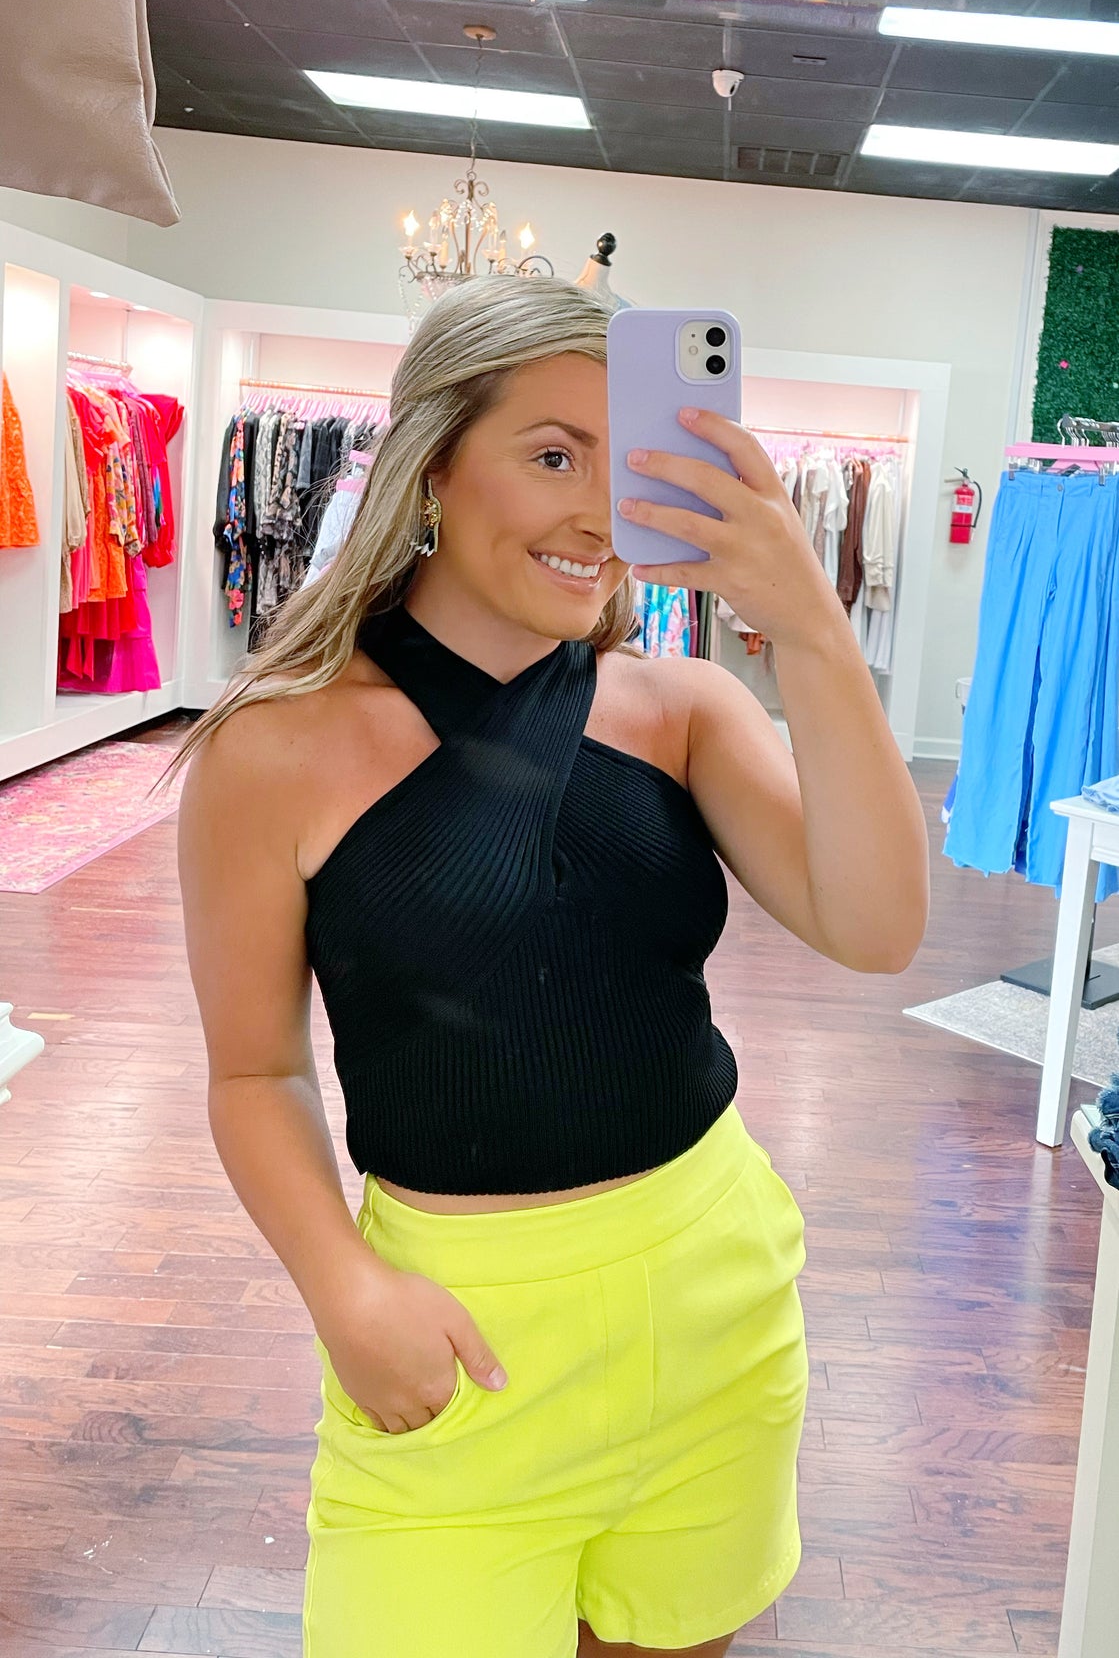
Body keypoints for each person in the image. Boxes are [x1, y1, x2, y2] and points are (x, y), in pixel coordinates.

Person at [172, 276, 929, 1658]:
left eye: (621, 461)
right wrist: (342, 1286)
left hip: (714, 1303)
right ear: (432, 466)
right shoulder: (272, 749)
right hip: (459, 1337)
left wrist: (813, 628)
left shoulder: (682, 708)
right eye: (552, 455)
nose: (596, 512)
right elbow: (253, 1071)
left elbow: (877, 929)